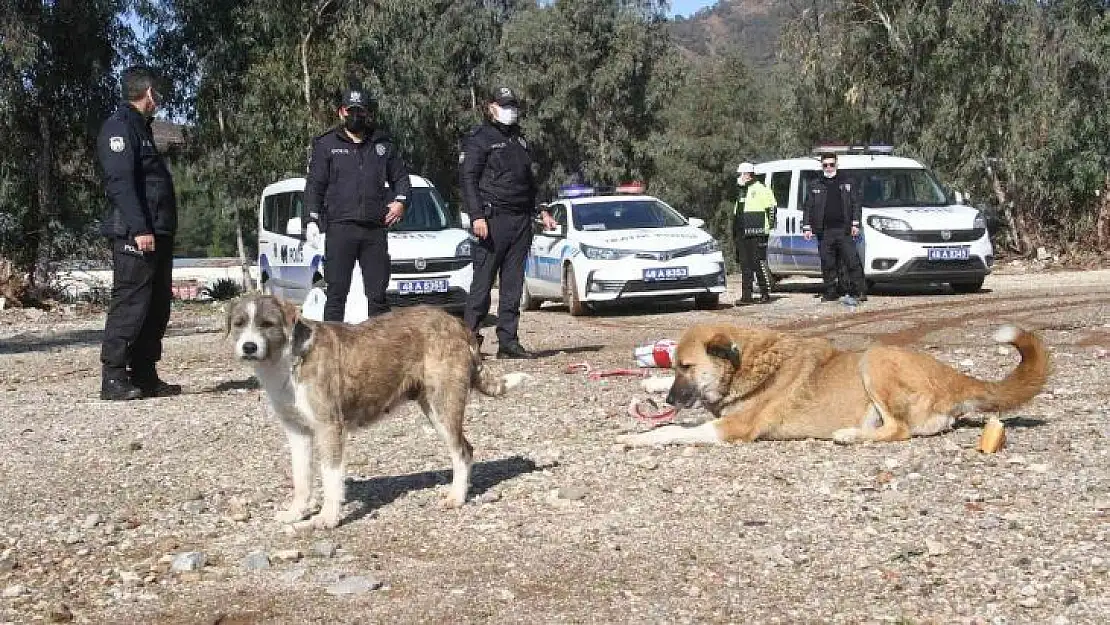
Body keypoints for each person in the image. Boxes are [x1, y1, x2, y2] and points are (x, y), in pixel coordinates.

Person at [97, 66, 180, 401]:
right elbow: (121, 184)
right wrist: (140, 227)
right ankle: (114, 377)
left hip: (157, 231)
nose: (159, 100)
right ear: (148, 93)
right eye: (157, 93)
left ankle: (145, 374)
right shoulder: (119, 127)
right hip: (137, 233)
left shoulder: (141, 128)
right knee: (131, 304)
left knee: (157, 306)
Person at [459, 86, 556, 359]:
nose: (510, 111)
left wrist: (542, 211)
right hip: (491, 220)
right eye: (504, 105)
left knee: (512, 285)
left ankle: (508, 342)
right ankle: (468, 342)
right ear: (491, 107)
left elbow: (530, 181)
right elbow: (468, 180)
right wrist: (476, 215)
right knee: (482, 285)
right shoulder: (479, 139)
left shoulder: (520, 140)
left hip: (521, 220)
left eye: (513, 105)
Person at [303, 86, 411, 321]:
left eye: (360, 112)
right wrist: (310, 220)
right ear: (341, 112)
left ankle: (379, 352)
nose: (355, 116)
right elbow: (314, 186)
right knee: (336, 294)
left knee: (378, 296)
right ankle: (332, 352)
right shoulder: (326, 144)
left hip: (374, 229)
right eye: (351, 111)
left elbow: (401, 179)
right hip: (340, 228)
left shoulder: (382, 144)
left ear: (367, 113)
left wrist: (401, 202)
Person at [802, 152, 867, 302]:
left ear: (837, 164)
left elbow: (856, 203)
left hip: (843, 230)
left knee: (852, 261)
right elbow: (808, 207)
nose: (829, 167)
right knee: (827, 263)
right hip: (824, 231)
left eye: (831, 164)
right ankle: (830, 291)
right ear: (822, 166)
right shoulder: (815, 184)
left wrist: (855, 223)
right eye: (825, 165)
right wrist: (807, 227)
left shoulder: (847, 181)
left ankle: (859, 291)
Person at [731, 162, 776, 305]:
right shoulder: (741, 191)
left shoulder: (761, 189)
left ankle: (765, 293)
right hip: (742, 232)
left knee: (758, 263)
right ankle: (746, 296)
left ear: (748, 174)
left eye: (741, 174)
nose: (740, 177)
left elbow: (772, 209)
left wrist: (767, 230)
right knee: (745, 265)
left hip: (757, 233)